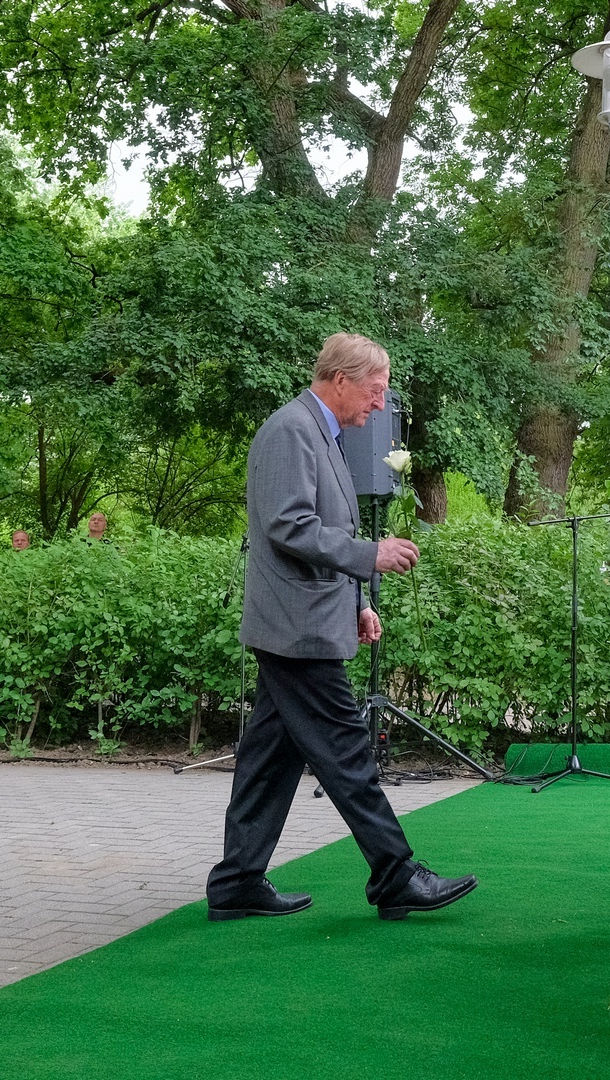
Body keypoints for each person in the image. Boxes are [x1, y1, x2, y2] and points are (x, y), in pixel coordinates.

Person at [205, 333, 476, 922]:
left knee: (270, 759)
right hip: (295, 629)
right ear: (340, 380)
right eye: (375, 392)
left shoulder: (318, 431)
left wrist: (354, 604)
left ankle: (236, 883)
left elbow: (317, 530)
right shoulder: (291, 430)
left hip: (301, 620)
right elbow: (289, 526)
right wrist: (369, 555)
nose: (380, 405)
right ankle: (395, 874)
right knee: (348, 751)